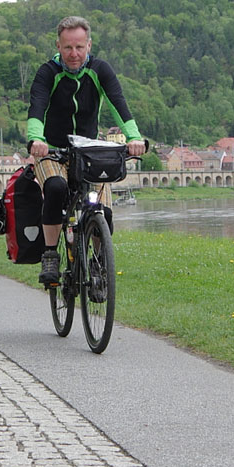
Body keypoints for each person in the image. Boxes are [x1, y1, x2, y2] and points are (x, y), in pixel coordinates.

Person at [27, 16, 146, 286]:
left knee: (102, 211)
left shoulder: (100, 70)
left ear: (89, 45)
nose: (74, 54)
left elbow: (119, 104)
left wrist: (135, 138)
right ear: (58, 45)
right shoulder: (48, 73)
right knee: (56, 189)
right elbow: (37, 109)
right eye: (68, 47)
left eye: (79, 47)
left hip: (89, 153)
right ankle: (50, 255)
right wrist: (36, 140)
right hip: (52, 151)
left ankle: (98, 263)